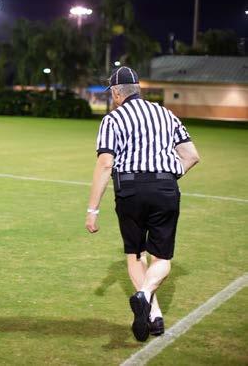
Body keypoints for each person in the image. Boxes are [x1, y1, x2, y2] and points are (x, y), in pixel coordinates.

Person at [85, 67, 200, 342]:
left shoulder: (113, 119)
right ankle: (150, 305)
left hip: (130, 190)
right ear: (138, 88)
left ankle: (151, 310)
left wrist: (92, 209)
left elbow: (105, 163)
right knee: (162, 258)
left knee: (136, 255)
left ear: (116, 93)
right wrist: (169, 176)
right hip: (165, 188)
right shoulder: (166, 114)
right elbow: (191, 156)